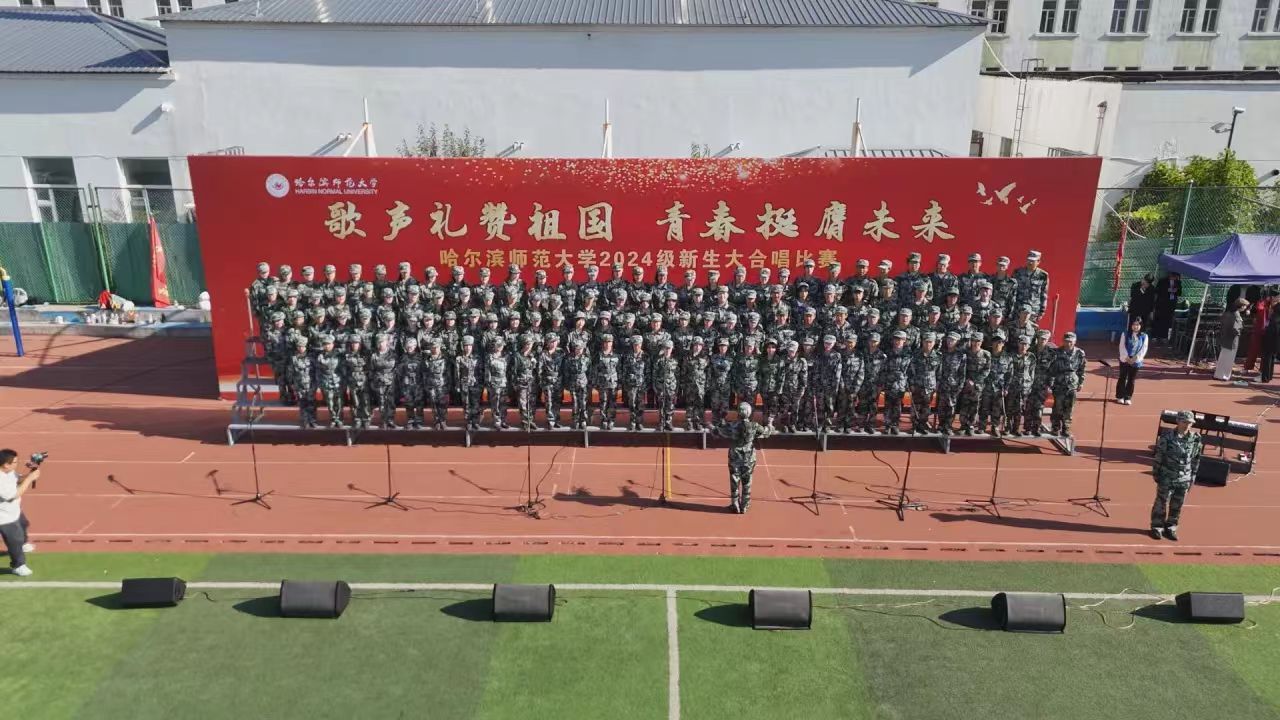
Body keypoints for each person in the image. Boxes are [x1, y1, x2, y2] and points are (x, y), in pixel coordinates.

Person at [1151, 410, 1202, 541]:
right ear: (1177, 421)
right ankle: (1157, 527)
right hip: (1167, 476)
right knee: (1161, 502)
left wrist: (1193, 477)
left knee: (1177, 505)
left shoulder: (1196, 439)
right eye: (1184, 422)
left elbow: (1196, 459)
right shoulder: (1167, 437)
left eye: (1189, 423)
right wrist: (1156, 473)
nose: (1187, 425)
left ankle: (1171, 527)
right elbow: (1159, 456)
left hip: (1184, 478)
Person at [717, 403, 772, 514]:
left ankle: (735, 504)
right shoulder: (754, 426)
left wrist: (720, 421)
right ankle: (745, 506)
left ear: (738, 412)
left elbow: (720, 431)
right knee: (747, 481)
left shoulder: (732, 425)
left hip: (735, 456)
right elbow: (766, 433)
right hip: (749, 458)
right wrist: (770, 424)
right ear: (749, 413)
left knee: (734, 480)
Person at [0, 450, 40, 576]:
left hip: (14, 511)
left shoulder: (9, 472)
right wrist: (30, 479)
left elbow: (18, 480)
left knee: (23, 524)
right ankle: (18, 566)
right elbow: (15, 495)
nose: (17, 464)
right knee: (14, 540)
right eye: (15, 462)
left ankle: (22, 544)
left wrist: (30, 474)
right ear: (6, 464)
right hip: (4, 518)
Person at [1214, 298, 1248, 381]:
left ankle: (1219, 374)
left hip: (1225, 338)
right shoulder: (1236, 315)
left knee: (1223, 357)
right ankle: (1224, 375)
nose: (1245, 308)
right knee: (1228, 359)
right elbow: (1235, 328)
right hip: (1232, 339)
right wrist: (1240, 330)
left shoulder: (1228, 313)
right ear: (1241, 306)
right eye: (1245, 306)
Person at [1116, 317, 1148, 405]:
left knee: (1131, 379)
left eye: (1137, 325)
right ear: (1131, 325)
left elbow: (1144, 349)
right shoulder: (1125, 334)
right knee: (1122, 377)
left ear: (1141, 326)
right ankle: (1120, 396)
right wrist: (1127, 358)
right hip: (1125, 358)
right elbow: (1121, 346)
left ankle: (1128, 397)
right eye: (1134, 324)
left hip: (1136, 360)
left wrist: (1135, 358)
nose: (1135, 326)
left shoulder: (1144, 336)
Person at [1152, 272, 1181, 343]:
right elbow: (1157, 290)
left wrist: (1175, 290)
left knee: (1167, 321)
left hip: (1170, 305)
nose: (1174, 278)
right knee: (1158, 320)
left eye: (1175, 277)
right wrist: (1168, 290)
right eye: (1173, 276)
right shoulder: (1162, 281)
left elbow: (1179, 292)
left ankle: (1164, 336)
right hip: (1161, 304)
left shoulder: (1178, 282)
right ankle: (1155, 336)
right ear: (1170, 275)